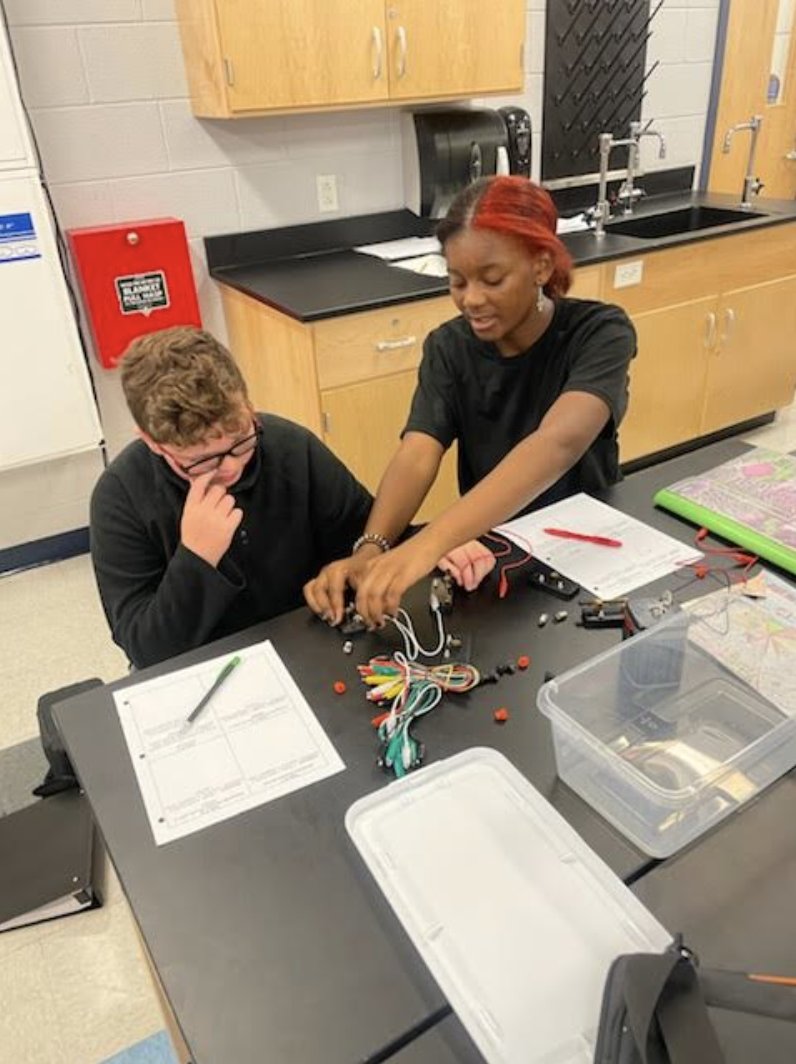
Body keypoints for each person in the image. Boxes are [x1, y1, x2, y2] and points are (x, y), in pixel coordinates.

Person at [305, 175, 636, 627]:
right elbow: (418, 452)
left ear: (541, 267)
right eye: (457, 282)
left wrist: (426, 545)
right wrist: (372, 548)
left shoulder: (600, 333)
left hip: (590, 546)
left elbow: (557, 443)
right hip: (494, 552)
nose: (472, 299)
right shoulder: (448, 347)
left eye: (492, 279)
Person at [90, 326, 372, 668]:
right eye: (201, 461)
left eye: (241, 441)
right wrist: (197, 558)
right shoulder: (120, 496)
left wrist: (353, 565)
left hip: (308, 642)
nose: (231, 467)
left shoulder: (292, 447)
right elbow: (146, 651)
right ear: (152, 443)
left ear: (249, 406)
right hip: (201, 665)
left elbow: (370, 536)